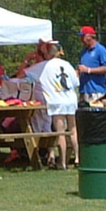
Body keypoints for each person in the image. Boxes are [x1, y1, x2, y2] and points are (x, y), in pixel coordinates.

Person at [38, 38, 82, 168]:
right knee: (73, 129)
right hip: (70, 99)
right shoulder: (67, 65)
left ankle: (62, 161)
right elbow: (75, 82)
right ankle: (78, 158)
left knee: (60, 131)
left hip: (56, 100)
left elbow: (27, 74)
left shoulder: (45, 66)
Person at [75, 26, 106, 104]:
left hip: (96, 92)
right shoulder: (84, 52)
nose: (81, 39)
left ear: (90, 36)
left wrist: (89, 70)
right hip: (84, 91)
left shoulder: (100, 50)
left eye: (83, 36)